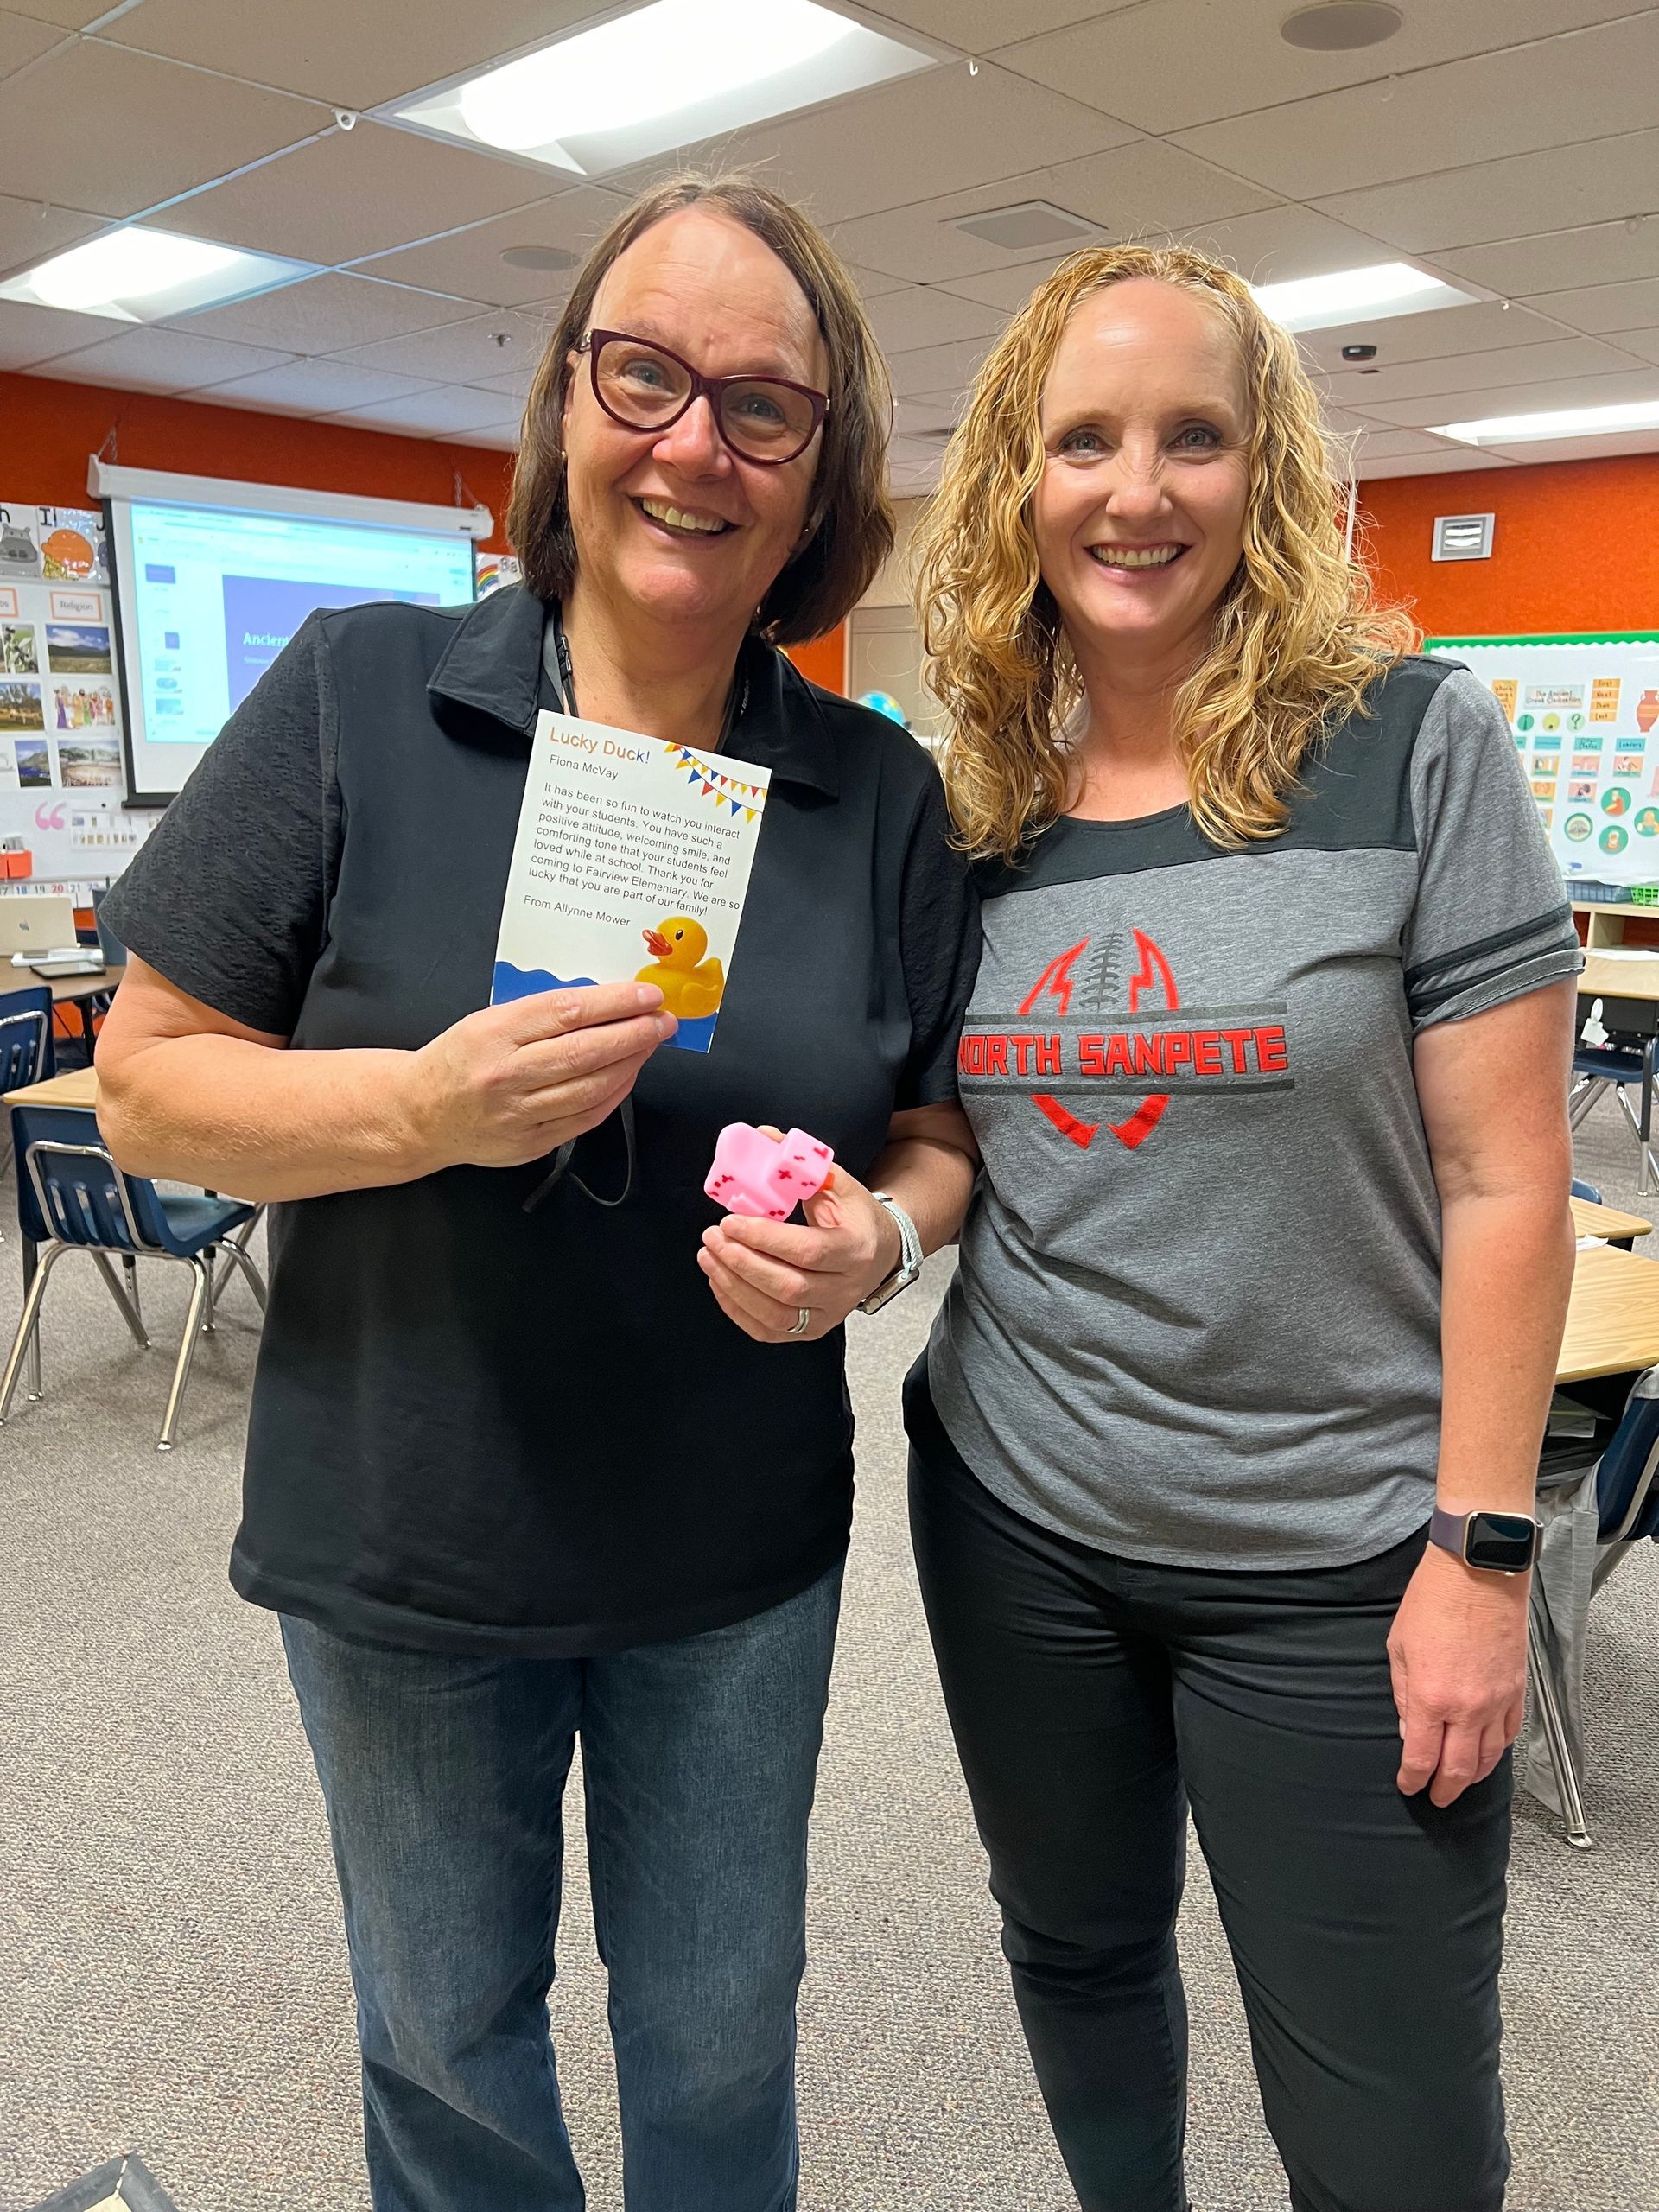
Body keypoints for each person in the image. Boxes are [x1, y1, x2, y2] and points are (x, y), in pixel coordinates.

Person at [95, 175, 980, 2212]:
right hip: (407, 1538)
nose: (694, 444)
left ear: (822, 473)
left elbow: (944, 1129)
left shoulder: (878, 791)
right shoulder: (357, 692)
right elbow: (145, 1090)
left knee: (716, 2035)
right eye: (646, 374)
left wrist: (885, 1235)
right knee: (447, 2045)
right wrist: (413, 1107)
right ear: (566, 399)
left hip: (730, 1558)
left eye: (765, 408)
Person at [906, 242, 1580, 2212]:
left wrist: (1482, 1544)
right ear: (1016, 484)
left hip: (1346, 1556)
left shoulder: (1409, 740)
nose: (1138, 489)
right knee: (1082, 1957)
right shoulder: (979, 802)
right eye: (1085, 438)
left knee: (1392, 2130)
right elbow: (949, 1137)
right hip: (1022, 1518)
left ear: (1263, 466)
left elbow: (1509, 1176)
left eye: (1193, 435)